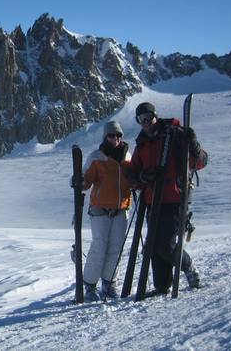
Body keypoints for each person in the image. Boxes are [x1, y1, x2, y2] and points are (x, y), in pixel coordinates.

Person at [128, 101, 208, 295]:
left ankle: (188, 267)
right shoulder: (142, 144)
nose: (146, 122)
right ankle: (162, 285)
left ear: (155, 116)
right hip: (152, 200)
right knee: (153, 245)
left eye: (148, 117)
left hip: (175, 197)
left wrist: (194, 145)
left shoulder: (175, 135)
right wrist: (143, 177)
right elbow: (133, 175)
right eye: (141, 119)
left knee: (165, 244)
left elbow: (200, 162)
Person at [78, 121, 133, 302]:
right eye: (111, 135)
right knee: (99, 246)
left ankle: (109, 284)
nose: (115, 139)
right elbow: (86, 181)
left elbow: (134, 179)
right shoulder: (97, 157)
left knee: (115, 248)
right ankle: (90, 285)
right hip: (100, 209)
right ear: (105, 137)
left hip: (121, 209)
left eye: (118, 135)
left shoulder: (128, 157)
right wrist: (79, 182)